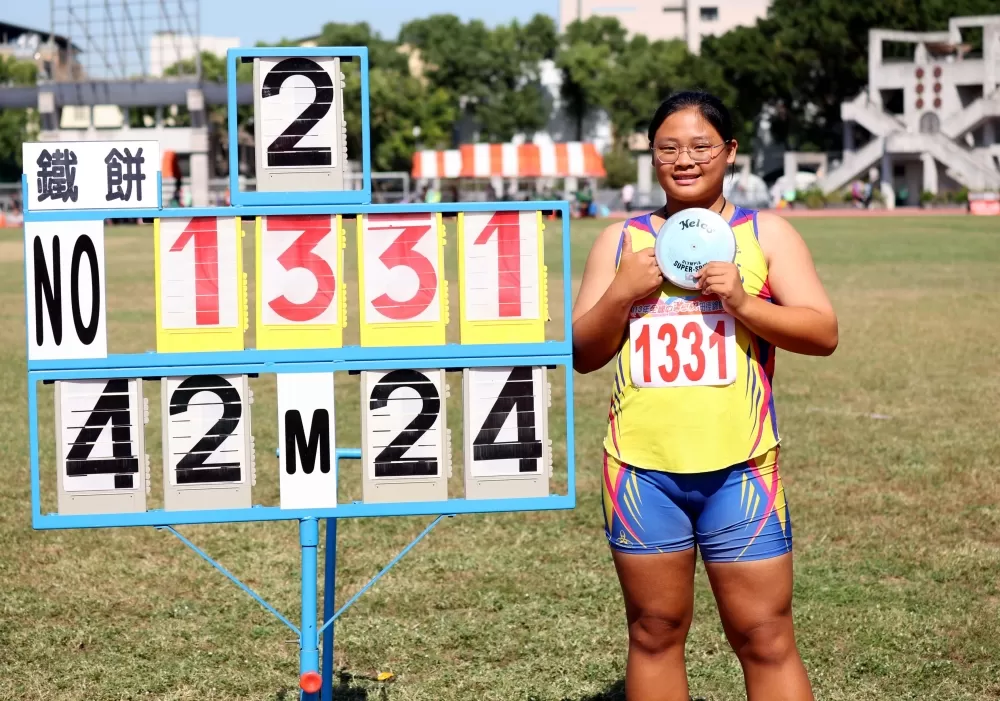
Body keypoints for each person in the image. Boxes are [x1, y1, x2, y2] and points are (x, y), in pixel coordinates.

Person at [571, 91, 838, 701]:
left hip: (741, 471)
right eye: (668, 147)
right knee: (655, 632)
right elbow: (584, 354)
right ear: (651, 156)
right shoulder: (621, 242)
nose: (684, 159)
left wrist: (744, 303)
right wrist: (620, 294)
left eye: (700, 146)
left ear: (730, 152)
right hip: (641, 473)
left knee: (765, 634)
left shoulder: (764, 233)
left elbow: (823, 332)